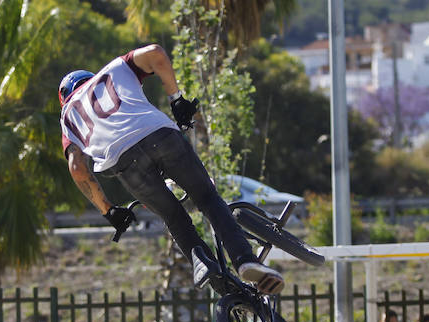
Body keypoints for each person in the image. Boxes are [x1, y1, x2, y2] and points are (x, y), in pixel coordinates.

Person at [58, 45, 284, 295]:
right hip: (159, 135)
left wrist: (108, 210)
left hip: (124, 163)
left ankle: (211, 273)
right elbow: (156, 52)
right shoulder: (114, 68)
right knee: (207, 197)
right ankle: (245, 261)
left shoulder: (68, 115)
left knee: (173, 217)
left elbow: (77, 167)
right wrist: (176, 100)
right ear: (91, 78)